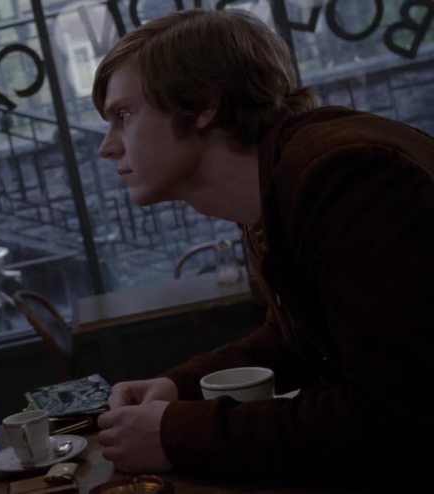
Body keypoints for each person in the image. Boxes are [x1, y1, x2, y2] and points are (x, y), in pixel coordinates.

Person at [91, 9, 434, 489]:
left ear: (203, 104)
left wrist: (174, 433)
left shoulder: (346, 177)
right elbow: (297, 336)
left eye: (124, 115)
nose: (108, 146)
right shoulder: (280, 181)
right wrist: (178, 387)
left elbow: (393, 419)